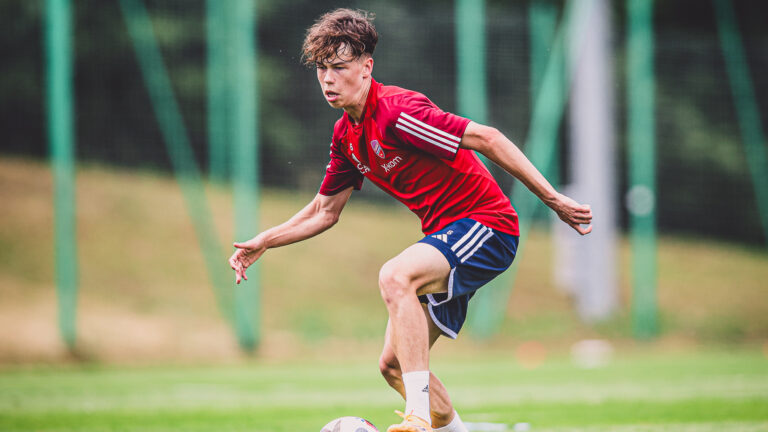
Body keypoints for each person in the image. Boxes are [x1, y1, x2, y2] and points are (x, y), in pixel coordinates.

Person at [228, 8, 593, 432]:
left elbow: (486, 137)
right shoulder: (347, 136)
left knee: (395, 275)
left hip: (488, 225)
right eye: (322, 69)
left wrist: (551, 198)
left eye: (340, 68)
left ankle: (418, 416)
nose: (328, 79)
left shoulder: (400, 112)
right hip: (448, 236)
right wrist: (264, 241)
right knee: (393, 366)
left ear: (366, 68)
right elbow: (324, 211)